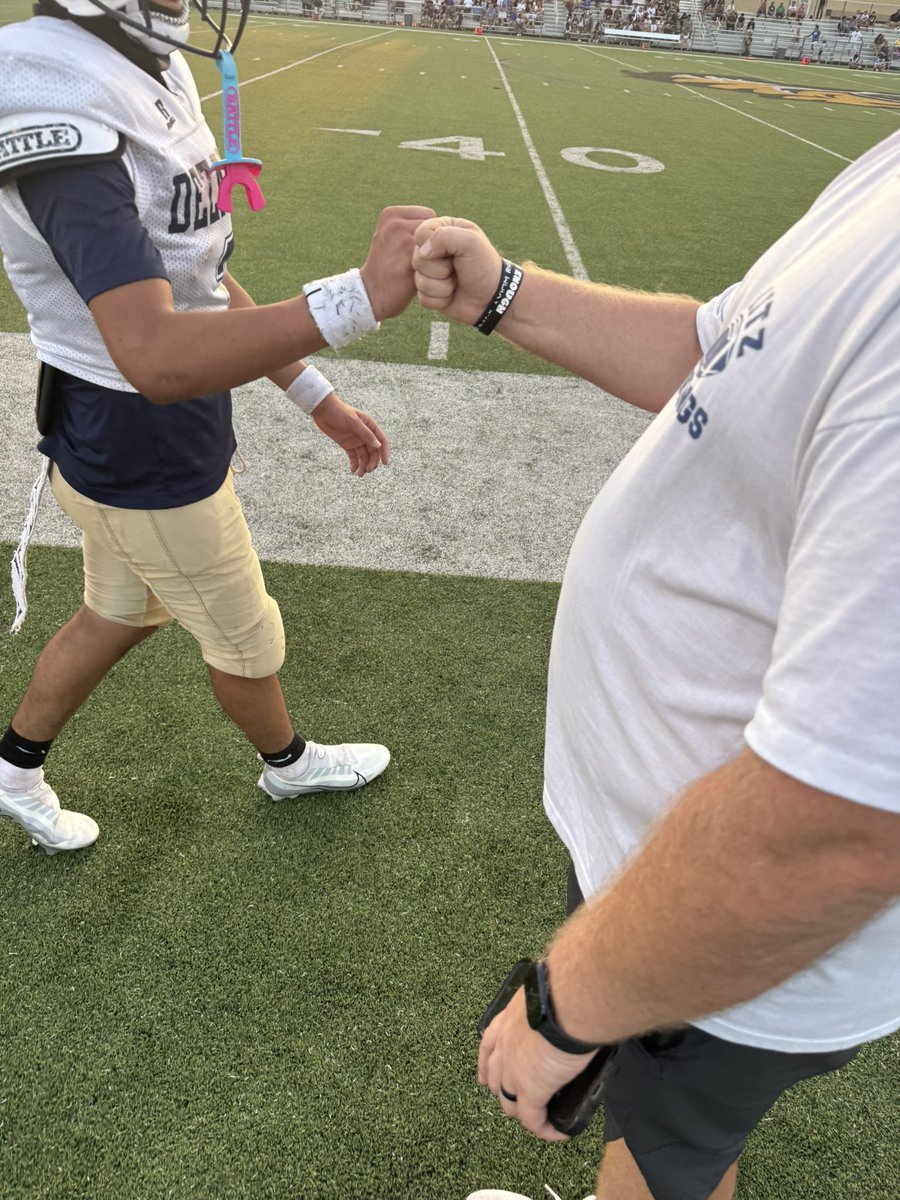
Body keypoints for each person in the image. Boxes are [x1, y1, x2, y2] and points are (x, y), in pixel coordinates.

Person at [412, 129, 900, 1200]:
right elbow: (723, 352)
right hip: (679, 864)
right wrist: (507, 293)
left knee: (667, 1157)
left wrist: (565, 1006)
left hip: (734, 934)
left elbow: (844, 828)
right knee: (665, 1143)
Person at [0, 0, 435, 855]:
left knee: (117, 612)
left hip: (123, 428)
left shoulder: (139, 60)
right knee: (245, 634)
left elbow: (197, 284)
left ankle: (13, 772)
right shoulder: (53, 86)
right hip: (141, 435)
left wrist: (316, 396)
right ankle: (288, 761)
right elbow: (156, 354)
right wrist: (355, 300)